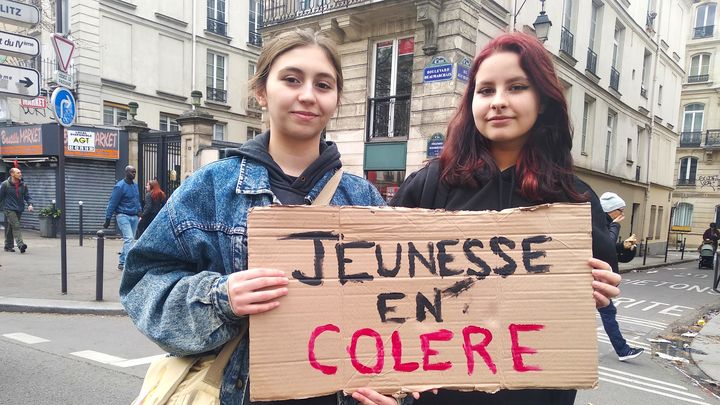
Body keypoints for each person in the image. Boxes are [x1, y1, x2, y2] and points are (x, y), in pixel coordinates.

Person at [120, 30, 403, 405]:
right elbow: (143, 286)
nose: (307, 95)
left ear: (335, 99)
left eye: (323, 84)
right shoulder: (212, 188)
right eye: (291, 79)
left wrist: (387, 387)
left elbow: (392, 312)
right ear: (261, 91)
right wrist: (221, 298)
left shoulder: (362, 197)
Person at [390, 32, 622, 404]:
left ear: (543, 100)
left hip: (535, 390)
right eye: (485, 91)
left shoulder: (574, 198)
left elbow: (596, 285)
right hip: (440, 391)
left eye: (516, 87)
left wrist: (601, 289)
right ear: (471, 104)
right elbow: (376, 284)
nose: (498, 102)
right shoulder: (431, 184)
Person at [597, 192, 644, 362]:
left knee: (606, 312)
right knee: (608, 312)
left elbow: (608, 248)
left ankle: (623, 350)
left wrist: (625, 247)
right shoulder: (600, 224)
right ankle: (623, 350)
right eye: (620, 211)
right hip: (596, 279)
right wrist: (615, 226)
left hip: (600, 279)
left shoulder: (604, 223)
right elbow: (605, 245)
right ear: (611, 211)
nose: (623, 215)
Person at [104, 165, 141, 271]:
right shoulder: (119, 186)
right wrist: (108, 218)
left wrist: (139, 211)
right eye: (131, 172)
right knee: (129, 238)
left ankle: (121, 262)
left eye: (135, 172)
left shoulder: (135, 186)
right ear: (126, 173)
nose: (133, 174)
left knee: (130, 240)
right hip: (123, 215)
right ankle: (125, 263)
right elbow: (112, 203)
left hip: (134, 216)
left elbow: (136, 199)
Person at [0, 167, 33, 253]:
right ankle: (20, 244)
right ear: (12, 174)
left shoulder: (23, 185)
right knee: (16, 225)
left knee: (12, 227)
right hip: (9, 209)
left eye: (20, 172)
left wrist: (30, 204)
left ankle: (8, 246)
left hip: (19, 209)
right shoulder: (5, 184)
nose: (20, 174)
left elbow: (27, 196)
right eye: (18, 173)